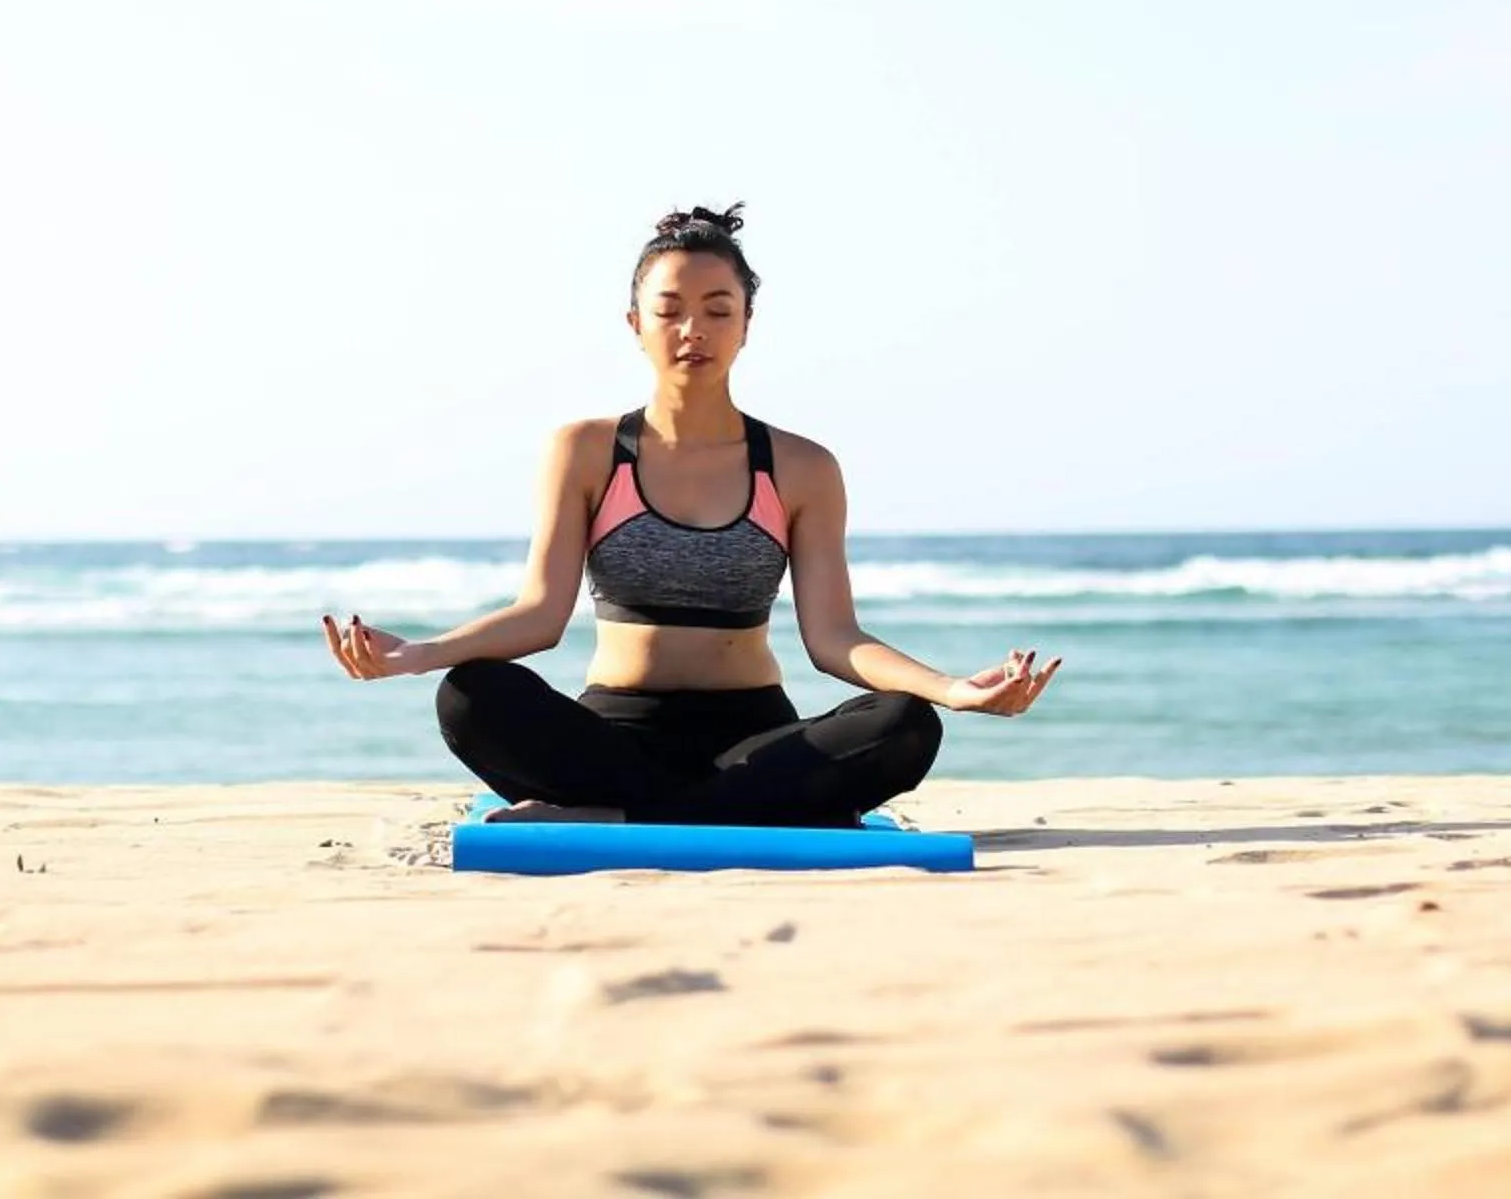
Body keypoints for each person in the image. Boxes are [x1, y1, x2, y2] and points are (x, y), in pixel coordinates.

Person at [320, 203, 1059, 826]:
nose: (692, 331)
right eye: (670, 311)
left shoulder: (801, 467)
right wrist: (416, 656)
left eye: (717, 311)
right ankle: (711, 808)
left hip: (756, 737)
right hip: (613, 732)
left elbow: (834, 640)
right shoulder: (587, 451)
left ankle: (625, 812)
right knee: (471, 695)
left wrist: (953, 691)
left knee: (904, 724)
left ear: (747, 324)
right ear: (635, 321)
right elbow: (539, 617)